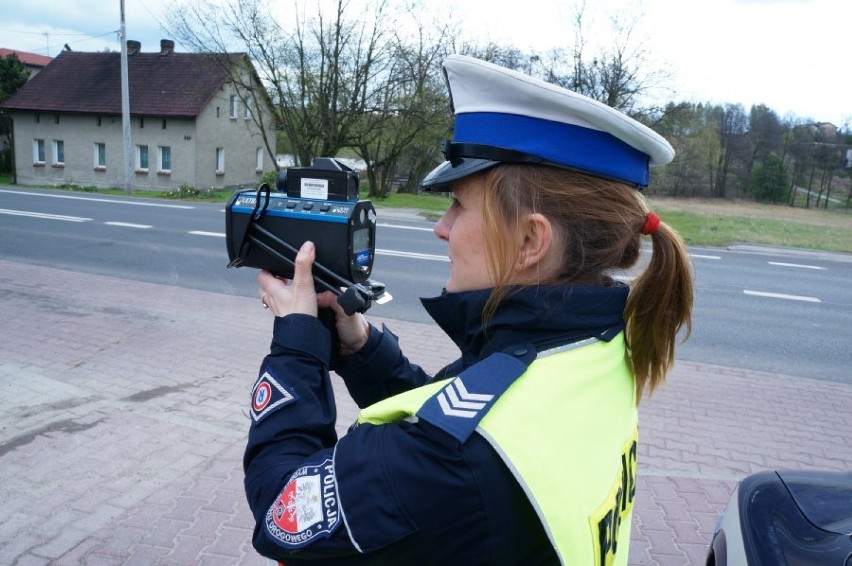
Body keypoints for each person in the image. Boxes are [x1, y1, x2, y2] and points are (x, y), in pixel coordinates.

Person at [244, 54, 693, 565]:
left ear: (530, 239)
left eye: (459, 205)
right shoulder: (599, 349)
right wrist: (361, 347)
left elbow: (282, 510)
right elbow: (457, 416)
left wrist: (296, 341)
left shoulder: (456, 461)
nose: (442, 227)